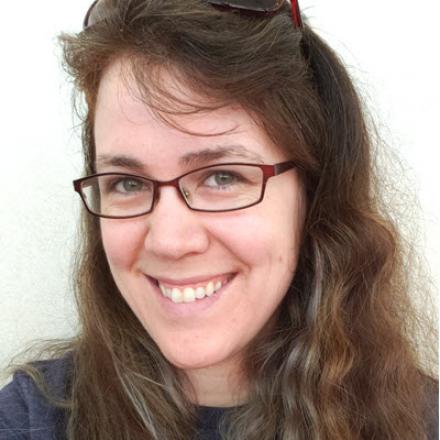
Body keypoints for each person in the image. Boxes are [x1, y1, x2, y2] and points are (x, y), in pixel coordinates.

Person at [0, 0, 438, 439]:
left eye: (222, 176)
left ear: (314, 195)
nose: (169, 241)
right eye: (128, 183)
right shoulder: (30, 420)